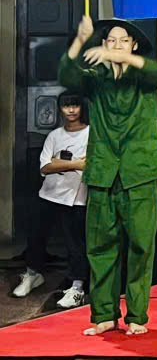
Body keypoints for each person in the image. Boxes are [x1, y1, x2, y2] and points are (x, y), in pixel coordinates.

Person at [59, 15, 157, 336]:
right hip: (104, 173)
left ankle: (137, 316)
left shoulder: (143, 76)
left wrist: (116, 56)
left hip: (139, 172)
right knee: (100, 248)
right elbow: (67, 76)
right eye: (111, 40)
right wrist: (80, 40)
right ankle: (104, 315)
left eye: (123, 40)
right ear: (103, 43)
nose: (117, 45)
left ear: (133, 45)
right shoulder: (96, 79)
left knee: (140, 248)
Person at [19, 93, 91, 308]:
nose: (71, 110)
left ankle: (77, 287)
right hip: (48, 193)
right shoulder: (54, 135)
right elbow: (45, 167)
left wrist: (58, 163)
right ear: (59, 109)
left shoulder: (91, 134)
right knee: (36, 236)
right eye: (66, 106)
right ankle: (33, 274)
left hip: (76, 198)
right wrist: (75, 164)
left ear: (82, 107)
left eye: (75, 105)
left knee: (75, 243)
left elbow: (89, 164)